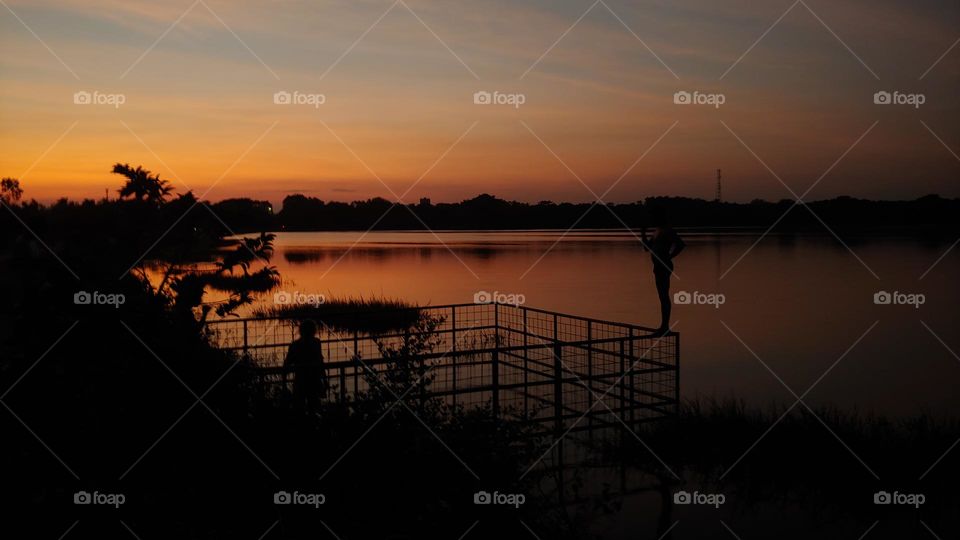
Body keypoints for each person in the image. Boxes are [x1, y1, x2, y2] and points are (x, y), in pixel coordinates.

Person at [641, 205, 685, 335]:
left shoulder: (668, 230)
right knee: (662, 296)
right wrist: (643, 233)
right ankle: (663, 326)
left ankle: (665, 326)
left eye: (654, 216)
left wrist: (670, 256)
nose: (652, 219)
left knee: (664, 296)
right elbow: (646, 248)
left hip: (664, 265)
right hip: (658, 266)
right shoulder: (657, 231)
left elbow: (680, 245)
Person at [284, 319, 327, 406]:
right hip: (314, 379)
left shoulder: (295, 345)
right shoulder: (316, 342)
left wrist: (284, 382)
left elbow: (287, 363)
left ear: (300, 331)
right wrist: (324, 378)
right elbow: (320, 361)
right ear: (314, 331)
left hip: (300, 379)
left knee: (299, 406)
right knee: (314, 404)